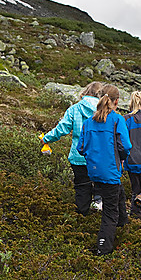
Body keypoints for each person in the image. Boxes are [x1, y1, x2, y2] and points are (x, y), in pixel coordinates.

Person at [77, 84, 131, 256]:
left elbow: (81, 148)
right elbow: (126, 146)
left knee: (117, 193)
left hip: (94, 171)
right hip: (110, 171)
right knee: (110, 212)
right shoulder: (117, 119)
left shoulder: (88, 123)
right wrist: (121, 157)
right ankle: (103, 248)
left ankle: (124, 223)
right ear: (116, 101)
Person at [41, 82, 103, 216]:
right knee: (100, 183)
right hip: (99, 156)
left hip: (78, 156)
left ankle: (81, 215)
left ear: (85, 92)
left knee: (82, 186)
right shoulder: (104, 110)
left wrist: (46, 138)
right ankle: (99, 206)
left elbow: (61, 129)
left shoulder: (74, 109)